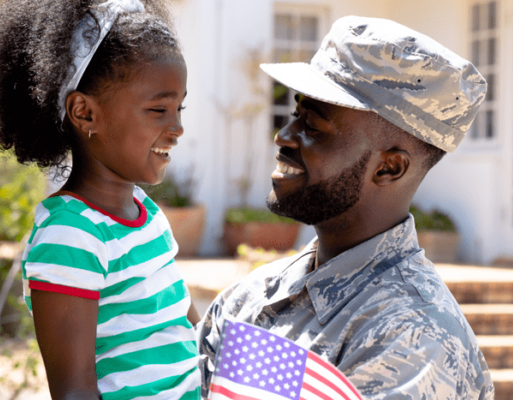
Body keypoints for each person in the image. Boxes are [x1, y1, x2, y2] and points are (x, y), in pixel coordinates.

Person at [196, 16, 494, 400]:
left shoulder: (413, 338)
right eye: (295, 115)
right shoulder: (250, 297)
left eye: (314, 127)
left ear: (389, 167)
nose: (284, 136)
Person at [0, 0, 201, 399]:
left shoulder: (147, 216)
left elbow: (189, 334)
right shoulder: (70, 236)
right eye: (158, 109)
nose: (177, 127)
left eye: (179, 108)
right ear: (84, 113)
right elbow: (73, 392)